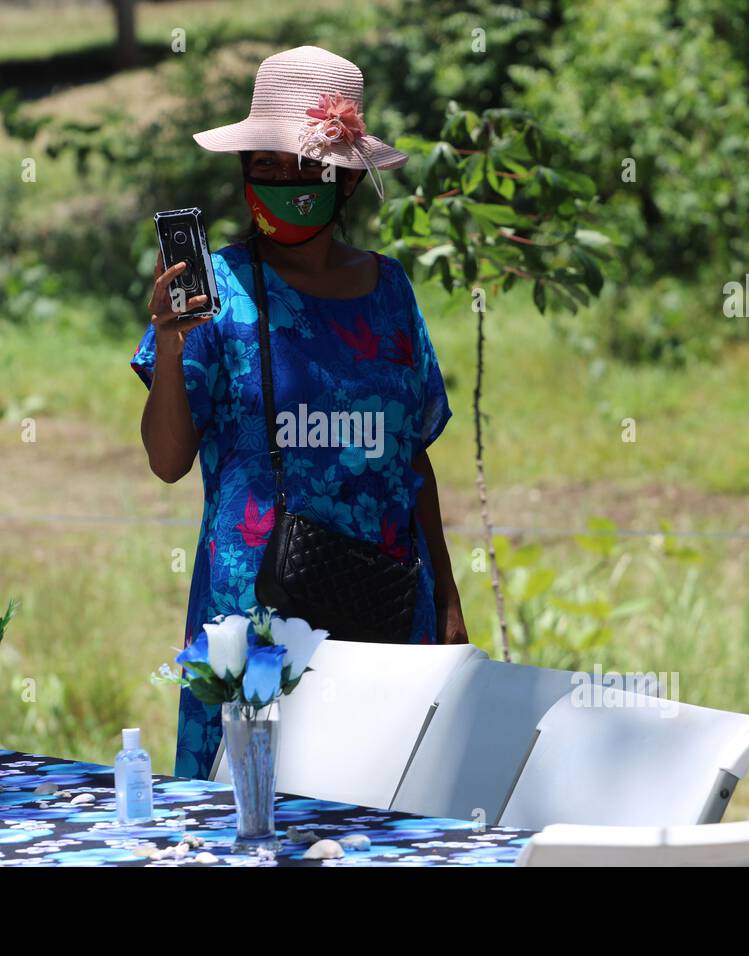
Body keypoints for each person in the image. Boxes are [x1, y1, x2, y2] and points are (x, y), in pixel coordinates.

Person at [131, 46, 467, 780]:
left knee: (379, 811)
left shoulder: (390, 291)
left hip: (382, 605)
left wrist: (446, 593)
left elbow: (414, 455)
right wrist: (168, 339)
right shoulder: (214, 289)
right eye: (266, 165)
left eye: (305, 167)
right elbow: (167, 459)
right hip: (255, 615)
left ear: (347, 178)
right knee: (246, 816)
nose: (283, 182)